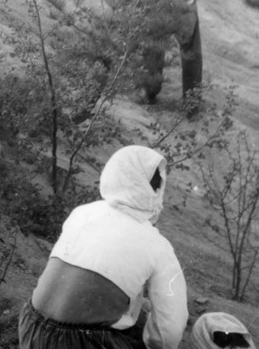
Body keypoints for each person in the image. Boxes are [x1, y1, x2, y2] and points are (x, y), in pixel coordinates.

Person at [19, 145, 188, 349]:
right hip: (81, 342)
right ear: (156, 191)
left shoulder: (81, 213)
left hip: (31, 325)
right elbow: (168, 331)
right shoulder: (158, 245)